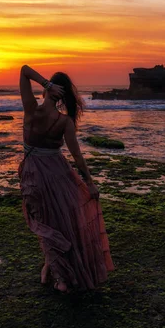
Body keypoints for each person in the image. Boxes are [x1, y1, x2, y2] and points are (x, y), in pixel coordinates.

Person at [17, 64, 115, 293]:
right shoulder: (65, 122)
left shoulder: (31, 109)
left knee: (45, 223)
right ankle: (51, 270)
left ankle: (59, 276)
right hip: (59, 175)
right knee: (59, 223)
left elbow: (24, 70)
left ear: (48, 91)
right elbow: (77, 157)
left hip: (33, 176)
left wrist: (45, 83)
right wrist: (89, 183)